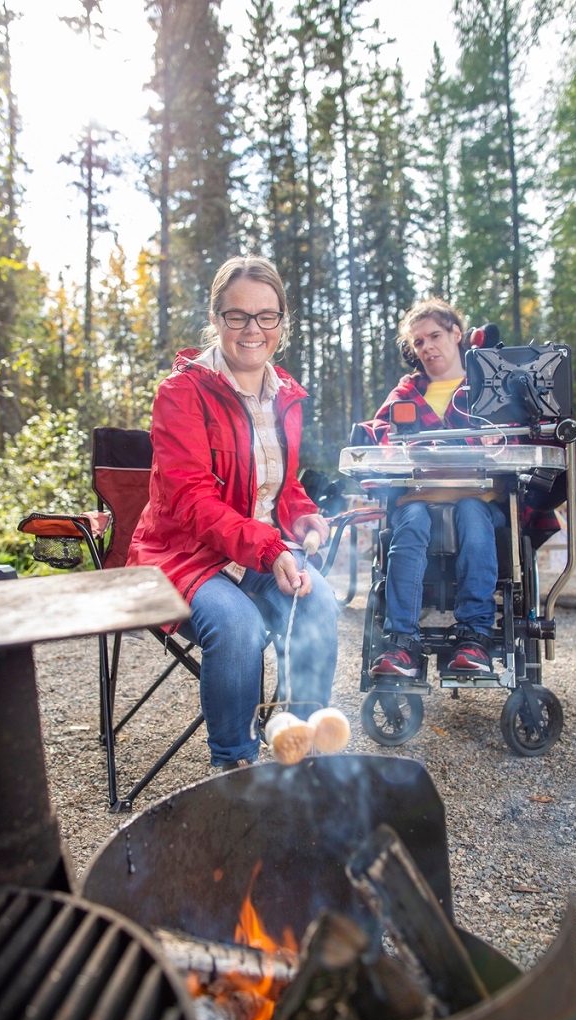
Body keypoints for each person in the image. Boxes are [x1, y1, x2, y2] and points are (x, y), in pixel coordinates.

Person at [127, 255, 339, 769]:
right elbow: (192, 501)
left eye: (267, 315)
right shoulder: (181, 393)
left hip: (255, 552)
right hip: (184, 555)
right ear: (216, 317)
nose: (253, 329)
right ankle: (234, 764)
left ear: (282, 322)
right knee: (239, 626)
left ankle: (297, 743)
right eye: (237, 315)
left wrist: (303, 512)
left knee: (319, 607)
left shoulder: (285, 393)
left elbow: (277, 485)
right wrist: (270, 549)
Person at [368, 297, 507, 680]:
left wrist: (496, 444)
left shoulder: (487, 388)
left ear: (456, 334)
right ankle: (401, 644)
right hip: (420, 497)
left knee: (472, 514)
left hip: (478, 496)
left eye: (434, 336)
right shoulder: (407, 393)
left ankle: (474, 638)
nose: (427, 347)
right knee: (408, 520)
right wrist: (394, 444)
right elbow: (377, 435)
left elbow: (518, 431)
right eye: (418, 342)